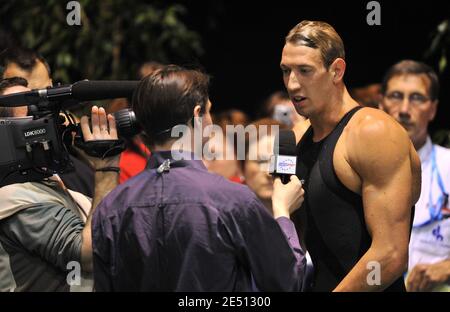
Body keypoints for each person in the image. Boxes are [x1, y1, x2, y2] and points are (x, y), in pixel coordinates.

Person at [92, 65, 306, 291]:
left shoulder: (110, 208)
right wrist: (282, 211)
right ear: (197, 116)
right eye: (209, 111)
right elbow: (288, 282)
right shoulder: (232, 200)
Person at [280, 20, 421, 291]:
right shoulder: (294, 138)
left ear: (336, 71)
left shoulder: (374, 131)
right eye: (286, 71)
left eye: (305, 71)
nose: (292, 84)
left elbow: (390, 256)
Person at [0, 77, 120, 291]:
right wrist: (106, 167)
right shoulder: (11, 199)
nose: (49, 120)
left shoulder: (49, 183)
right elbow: (90, 254)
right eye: (33, 113)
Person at [380, 60, 450, 291]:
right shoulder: (354, 169)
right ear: (381, 104)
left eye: (417, 98)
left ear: (433, 109)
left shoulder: (448, 166)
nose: (404, 109)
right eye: (396, 96)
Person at [2, 47, 95, 197]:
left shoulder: (73, 137)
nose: (37, 107)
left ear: (52, 86)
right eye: (24, 98)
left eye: (45, 93)